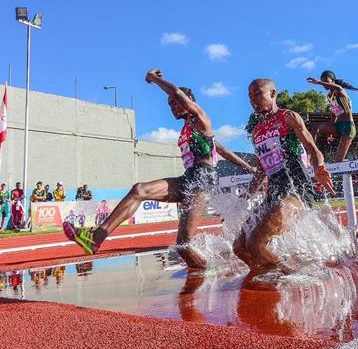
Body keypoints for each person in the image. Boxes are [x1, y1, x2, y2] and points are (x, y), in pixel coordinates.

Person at [63, 69, 254, 269]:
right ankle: (95, 239)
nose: (172, 107)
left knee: (183, 246)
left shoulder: (200, 119)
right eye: (170, 104)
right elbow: (222, 150)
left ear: (189, 101)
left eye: (175, 102)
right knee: (139, 190)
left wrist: (154, 79)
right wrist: (249, 167)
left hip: (203, 181)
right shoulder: (188, 129)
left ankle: (210, 271)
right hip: (188, 179)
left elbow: (180, 96)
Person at [233, 78, 336, 269]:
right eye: (249, 96)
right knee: (239, 247)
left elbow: (312, 149)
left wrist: (319, 166)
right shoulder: (256, 131)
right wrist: (243, 199)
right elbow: (261, 170)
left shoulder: (288, 117)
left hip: (295, 191)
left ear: (273, 94)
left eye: (257, 93)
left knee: (255, 243)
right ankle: (266, 274)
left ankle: (292, 276)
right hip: (273, 194)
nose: (253, 100)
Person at [307, 70, 357, 162]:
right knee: (316, 128)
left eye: (326, 81)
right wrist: (330, 132)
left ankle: (356, 171)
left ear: (332, 80)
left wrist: (318, 82)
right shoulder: (329, 96)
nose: (324, 84)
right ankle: (309, 157)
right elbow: (334, 113)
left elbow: (338, 88)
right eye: (322, 82)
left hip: (348, 127)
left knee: (338, 161)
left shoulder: (340, 90)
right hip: (337, 126)